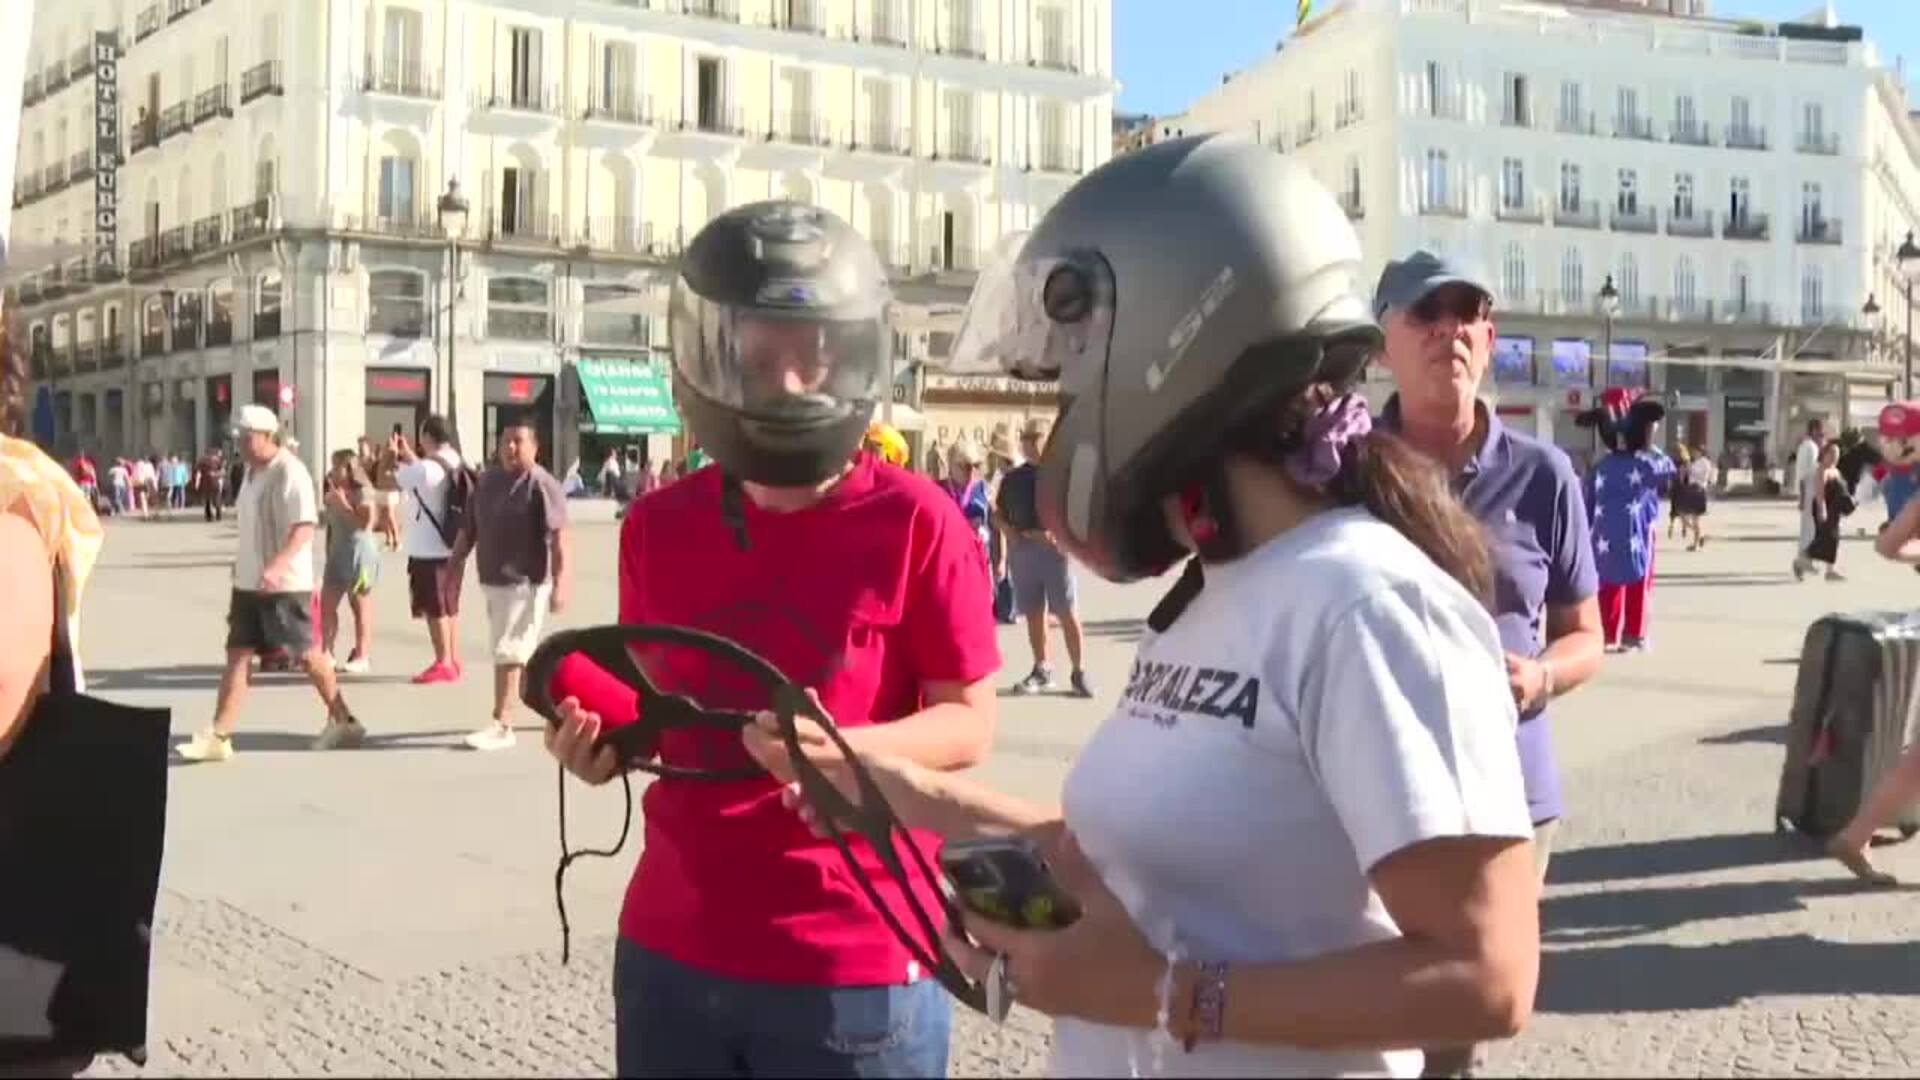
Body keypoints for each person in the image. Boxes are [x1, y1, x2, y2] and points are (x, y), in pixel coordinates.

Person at [748, 135, 1540, 1079]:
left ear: (1173, 334)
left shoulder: (1369, 603)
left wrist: (1164, 997)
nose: (1064, 415)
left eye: (1076, 373)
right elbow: (1109, 854)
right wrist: (874, 780)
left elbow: (1485, 976)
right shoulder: (1217, 595)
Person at [543, 200, 999, 1078]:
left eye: (811, 353)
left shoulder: (919, 520)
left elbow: (969, 721)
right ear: (715, 353)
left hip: (854, 957)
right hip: (673, 948)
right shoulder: (657, 526)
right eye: (759, 355)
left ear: (852, 355)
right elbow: (661, 707)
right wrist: (603, 743)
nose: (787, 383)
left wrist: (844, 750)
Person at [1370, 250, 1603, 1078]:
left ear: (1491, 337)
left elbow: (1587, 635)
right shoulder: (1343, 474)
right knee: (1365, 1006)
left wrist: (1541, 677)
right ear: (1383, 345)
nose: (1449, 332)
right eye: (1425, 315)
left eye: (1466, 314)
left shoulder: (1544, 474)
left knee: (1460, 1026)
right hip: (1370, 781)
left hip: (1509, 795)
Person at [175, 406, 363, 762]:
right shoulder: (250, 473)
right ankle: (219, 735)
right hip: (248, 583)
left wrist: (277, 565)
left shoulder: (290, 472)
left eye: (246, 438)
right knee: (238, 655)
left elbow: (304, 527)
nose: (240, 446)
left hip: (286, 585)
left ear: (267, 435)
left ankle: (343, 719)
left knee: (309, 655)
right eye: (238, 439)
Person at [447, 415, 570, 752]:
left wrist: (562, 583)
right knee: (520, 652)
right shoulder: (487, 482)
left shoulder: (542, 484)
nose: (511, 447)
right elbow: (469, 529)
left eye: (519, 441)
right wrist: (454, 565)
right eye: (506, 441)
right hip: (493, 581)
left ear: (535, 447)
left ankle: (503, 722)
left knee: (508, 649)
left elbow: (560, 538)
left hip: (525, 582)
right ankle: (562, 703)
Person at [997, 417, 1094, 698]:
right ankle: (1042, 669)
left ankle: (1079, 671)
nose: (1029, 444)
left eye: (1034, 438)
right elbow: (998, 513)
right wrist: (1008, 531)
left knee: (1066, 612)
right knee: (1034, 614)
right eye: (1026, 439)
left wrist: (1062, 537)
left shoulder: (1062, 475)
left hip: (1055, 553)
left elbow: (1079, 511)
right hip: (1023, 552)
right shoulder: (1013, 478)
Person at [1577, 388, 1672, 652]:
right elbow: (1669, 468)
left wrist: (1584, 533)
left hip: (1603, 533)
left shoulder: (1599, 467)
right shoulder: (1645, 464)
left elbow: (1587, 504)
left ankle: (1608, 633)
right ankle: (1634, 634)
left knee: (1607, 580)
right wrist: (1651, 443)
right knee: (1638, 582)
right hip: (1639, 530)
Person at [393, 415, 467, 684]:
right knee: (450, 605)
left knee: (436, 608)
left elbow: (397, 479)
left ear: (428, 437)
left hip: (428, 547)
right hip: (454, 544)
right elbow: (423, 474)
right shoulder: (454, 460)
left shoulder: (426, 467)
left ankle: (442, 660)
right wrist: (411, 456)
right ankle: (453, 658)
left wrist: (395, 456)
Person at [319, 448, 380, 675]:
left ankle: (362, 655)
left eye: (336, 466)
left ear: (348, 468)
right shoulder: (332, 490)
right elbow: (332, 527)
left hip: (359, 554)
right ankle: (327, 652)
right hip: (337, 554)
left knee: (360, 606)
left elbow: (366, 524)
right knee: (327, 605)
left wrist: (343, 504)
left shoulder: (362, 491)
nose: (332, 471)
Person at [1802, 441, 1853, 581]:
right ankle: (1803, 559)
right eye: (1831, 453)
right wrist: (1821, 509)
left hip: (1834, 509)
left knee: (1832, 539)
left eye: (1836, 454)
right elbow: (1820, 492)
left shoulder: (1836, 471)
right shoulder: (1822, 470)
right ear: (1824, 455)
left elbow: (1841, 490)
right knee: (1825, 539)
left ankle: (1828, 571)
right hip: (1823, 507)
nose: (1834, 457)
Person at [1792, 418, 1825, 576]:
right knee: (1810, 529)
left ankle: (1803, 562)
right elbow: (1806, 474)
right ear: (1813, 430)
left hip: (1809, 493)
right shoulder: (1811, 447)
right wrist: (1803, 497)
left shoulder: (1806, 446)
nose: (1822, 434)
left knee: (1809, 529)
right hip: (1809, 493)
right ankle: (1803, 561)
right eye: (1820, 430)